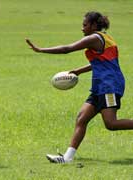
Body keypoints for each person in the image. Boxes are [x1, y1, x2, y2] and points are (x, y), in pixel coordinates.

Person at [26, 11, 133, 163]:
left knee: (111, 124)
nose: (82, 29)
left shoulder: (94, 38)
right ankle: (67, 158)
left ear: (94, 25)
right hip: (99, 85)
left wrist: (41, 50)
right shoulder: (106, 38)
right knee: (81, 118)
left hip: (109, 85)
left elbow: (67, 49)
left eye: (85, 25)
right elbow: (100, 62)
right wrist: (78, 71)